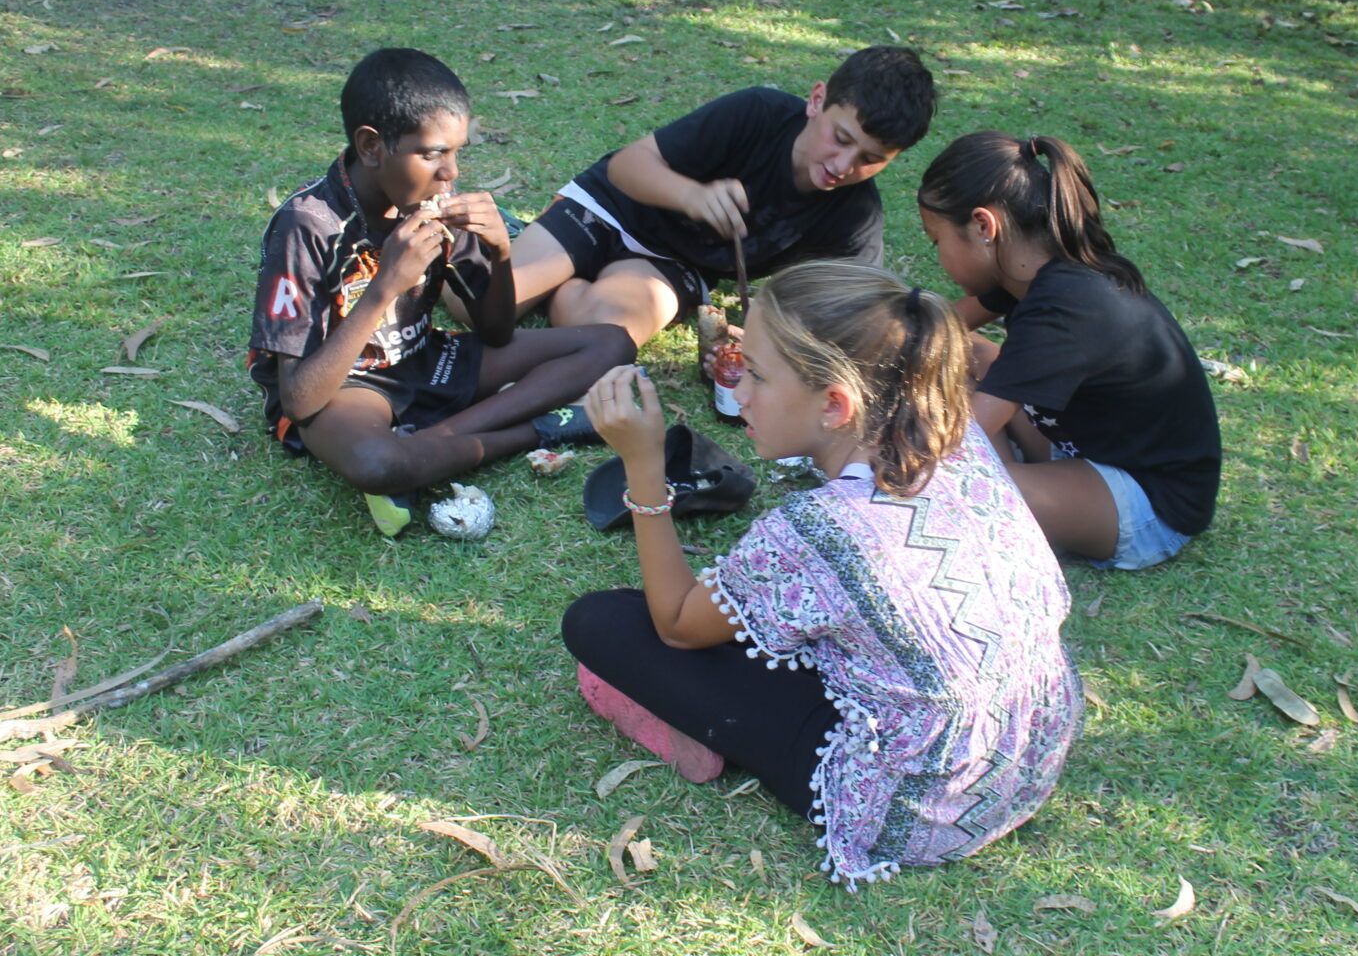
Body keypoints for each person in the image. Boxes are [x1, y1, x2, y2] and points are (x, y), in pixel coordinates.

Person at [561, 262, 1083, 888]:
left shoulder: (820, 531)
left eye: (753, 372)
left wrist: (642, 464)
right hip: (1027, 750)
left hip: (921, 806)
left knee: (600, 624)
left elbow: (676, 624)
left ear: (836, 404)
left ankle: (699, 740)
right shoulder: (955, 434)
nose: (735, 386)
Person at [247, 48, 634, 535]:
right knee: (377, 465)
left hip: (426, 360)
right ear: (371, 146)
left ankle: (431, 442)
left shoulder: (436, 202)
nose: (449, 173)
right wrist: (387, 285)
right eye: (431, 154)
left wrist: (499, 252)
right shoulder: (309, 225)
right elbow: (300, 399)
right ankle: (533, 430)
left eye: (456, 152)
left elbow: (495, 332)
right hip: (349, 385)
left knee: (610, 342)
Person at [915, 132, 1221, 569]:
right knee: (954, 352)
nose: (937, 255)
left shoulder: (1068, 304)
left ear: (984, 226)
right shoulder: (1030, 269)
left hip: (1149, 503)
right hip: (1079, 448)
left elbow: (966, 433)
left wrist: (867, 448)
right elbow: (942, 326)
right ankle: (1012, 480)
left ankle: (1007, 487)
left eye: (936, 239)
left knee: (944, 483)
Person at [508, 46, 937, 346]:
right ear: (817, 99)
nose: (844, 166)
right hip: (608, 210)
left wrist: (778, 335)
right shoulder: (757, 113)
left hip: (673, 266)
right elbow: (626, 167)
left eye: (871, 158)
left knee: (597, 331)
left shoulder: (857, 215)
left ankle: (559, 276)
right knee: (480, 303)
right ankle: (544, 256)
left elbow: (853, 308)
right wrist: (691, 195)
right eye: (841, 137)